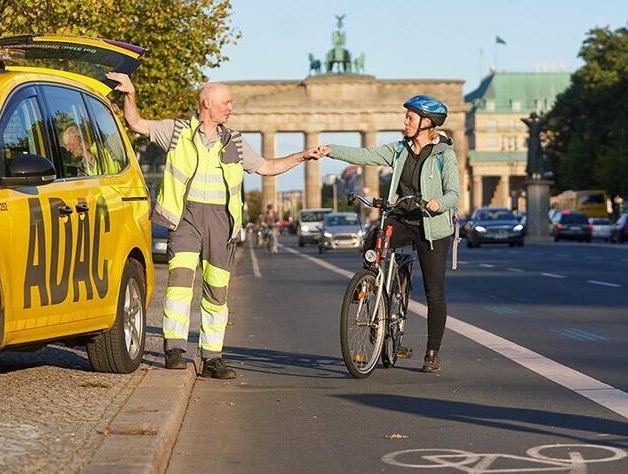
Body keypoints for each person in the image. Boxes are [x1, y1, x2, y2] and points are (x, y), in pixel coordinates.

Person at [107, 71, 323, 379]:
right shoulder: (177, 131)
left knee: (216, 290)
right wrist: (130, 94)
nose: (231, 108)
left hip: (221, 221)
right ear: (207, 103)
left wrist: (302, 156)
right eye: (227, 102)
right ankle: (174, 349)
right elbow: (137, 123)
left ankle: (212, 358)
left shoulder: (234, 140)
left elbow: (266, 167)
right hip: (185, 218)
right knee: (180, 285)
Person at [319, 95, 460, 373]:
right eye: (406, 117)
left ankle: (432, 351)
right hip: (403, 218)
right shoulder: (399, 150)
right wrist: (329, 149)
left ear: (426, 122)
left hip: (432, 225)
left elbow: (453, 193)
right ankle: (371, 286)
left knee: (434, 290)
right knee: (374, 236)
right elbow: (367, 155)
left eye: (410, 117)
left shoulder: (445, 155)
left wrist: (437, 204)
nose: (405, 121)